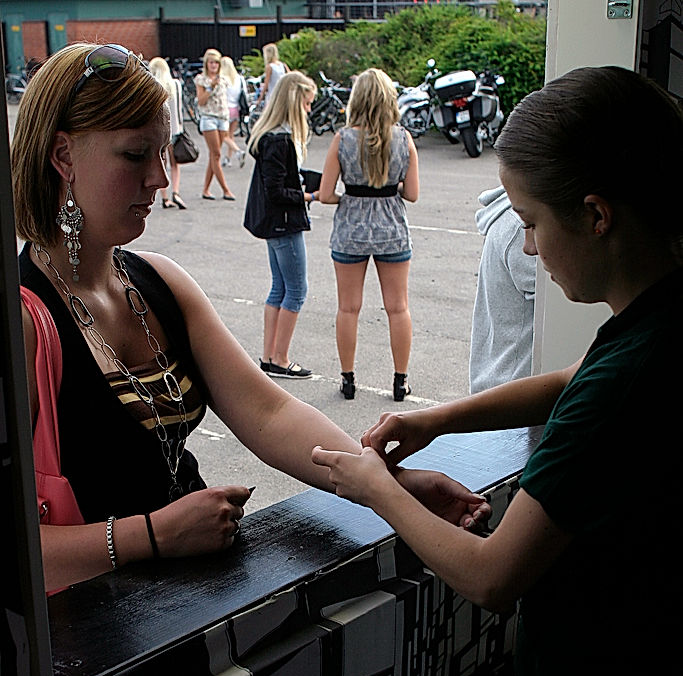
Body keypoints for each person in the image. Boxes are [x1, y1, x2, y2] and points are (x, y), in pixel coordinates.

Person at [311, 66, 683, 676]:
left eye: (531, 218)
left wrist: (370, 487)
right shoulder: (659, 315)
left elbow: (489, 574)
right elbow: (578, 377)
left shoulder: (626, 386)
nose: (527, 243)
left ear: (594, 213)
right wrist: (448, 413)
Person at [11, 43, 480, 594]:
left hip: (189, 608)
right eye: (136, 155)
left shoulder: (158, 281)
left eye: (163, 154)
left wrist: (388, 485)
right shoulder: (22, 320)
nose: (159, 179)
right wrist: (153, 535)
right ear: (63, 156)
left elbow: (268, 412)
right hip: (100, 646)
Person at [318, 68, 419, 402]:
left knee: (348, 308)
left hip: (351, 229)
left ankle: (348, 381)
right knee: (398, 307)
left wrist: (351, 195)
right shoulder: (403, 139)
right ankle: (399, 381)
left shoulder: (342, 139)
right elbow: (413, 193)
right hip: (392, 229)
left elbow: (325, 194)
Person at [244, 72, 317, 379]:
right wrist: (308, 195)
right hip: (283, 225)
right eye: (307, 103)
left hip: (273, 225)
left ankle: (270, 356)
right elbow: (276, 192)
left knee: (280, 287)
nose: (309, 110)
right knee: (296, 290)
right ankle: (281, 358)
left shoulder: (270, 135)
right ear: (294, 100)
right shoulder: (281, 139)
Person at [469, 185, 536, 393]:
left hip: (502, 388)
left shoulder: (518, 219)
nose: (530, 247)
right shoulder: (521, 227)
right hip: (511, 397)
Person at [194, 47, 235, 200]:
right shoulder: (201, 79)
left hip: (222, 118)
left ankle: (206, 189)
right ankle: (225, 189)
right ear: (207, 64)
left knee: (214, 156)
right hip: (209, 117)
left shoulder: (223, 79)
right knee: (216, 154)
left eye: (216, 63)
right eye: (211, 63)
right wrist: (211, 87)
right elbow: (201, 101)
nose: (214, 66)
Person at [148, 57, 187, 210]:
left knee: (161, 164)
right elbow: (179, 108)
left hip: (159, 131)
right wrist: (180, 127)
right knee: (175, 164)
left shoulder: (153, 86)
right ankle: (176, 193)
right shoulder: (175, 84)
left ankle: (164, 197)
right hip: (175, 129)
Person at [220, 55, 247, 170]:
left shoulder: (222, 79)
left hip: (225, 109)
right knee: (230, 135)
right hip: (236, 109)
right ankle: (228, 158)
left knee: (223, 136)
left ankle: (238, 152)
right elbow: (244, 92)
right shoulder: (239, 79)